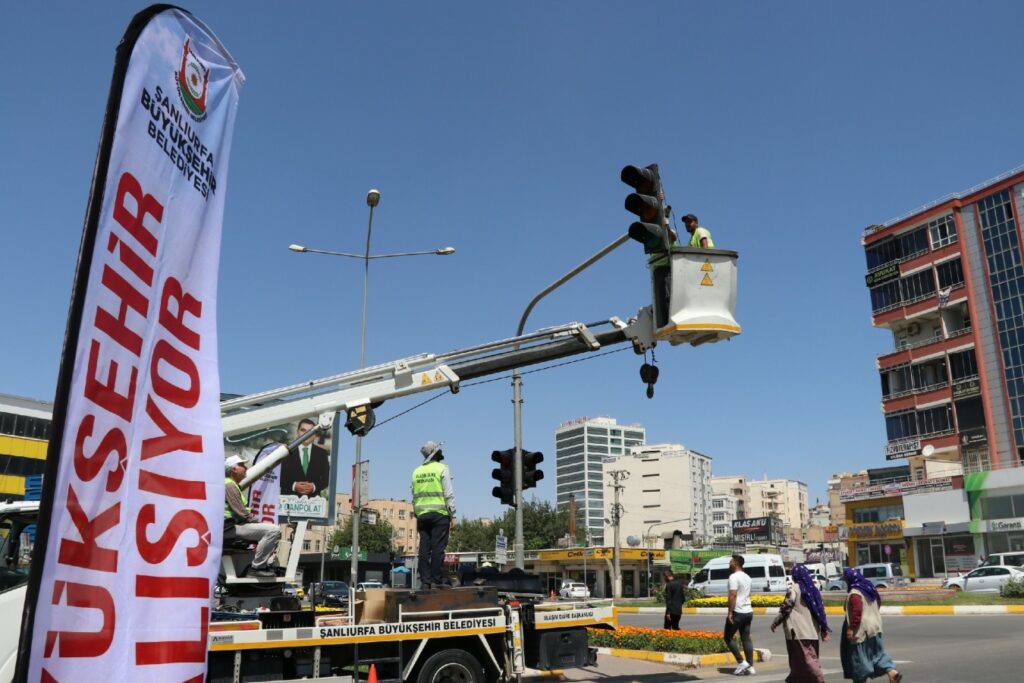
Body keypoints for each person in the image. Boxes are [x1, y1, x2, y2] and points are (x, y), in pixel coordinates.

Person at [840, 568, 902, 683]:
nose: (845, 582)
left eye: (846, 579)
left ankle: (860, 680)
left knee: (859, 657)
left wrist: (851, 628)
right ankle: (892, 672)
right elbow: (878, 603)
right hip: (875, 627)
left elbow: (857, 611)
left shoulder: (855, 593)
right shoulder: (869, 588)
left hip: (861, 630)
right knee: (877, 654)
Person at [771, 564, 831, 683]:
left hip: (798, 633)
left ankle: (819, 679)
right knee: (801, 662)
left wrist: (775, 622)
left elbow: (786, 608)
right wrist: (823, 629)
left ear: (795, 576)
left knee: (806, 662)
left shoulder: (794, 589)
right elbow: (821, 611)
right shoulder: (814, 590)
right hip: (813, 632)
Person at [224, 455, 282, 576]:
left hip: (231, 527)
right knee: (273, 530)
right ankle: (257, 568)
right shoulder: (229, 485)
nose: (246, 468)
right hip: (229, 528)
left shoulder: (230, 484)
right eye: (242, 465)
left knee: (272, 533)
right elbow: (241, 512)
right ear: (234, 469)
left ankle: (259, 564)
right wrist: (258, 522)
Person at [411, 440, 456, 589]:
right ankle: (437, 580)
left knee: (424, 548)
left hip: (422, 516)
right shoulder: (442, 468)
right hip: (439, 514)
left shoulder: (416, 471)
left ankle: (425, 582)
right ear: (436, 454)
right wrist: (453, 515)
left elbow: (414, 495)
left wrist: (417, 515)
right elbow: (448, 494)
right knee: (438, 548)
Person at [280, 418, 331, 498]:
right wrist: (294, 486)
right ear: (298, 432)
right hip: (287, 500)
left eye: (310, 431)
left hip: (312, 502)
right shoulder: (285, 451)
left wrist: (313, 487)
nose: (306, 434)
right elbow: (279, 476)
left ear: (315, 434)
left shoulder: (322, 454)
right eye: (303, 430)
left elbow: (325, 480)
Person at [725, 554, 756, 676]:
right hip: (748, 611)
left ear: (735, 563)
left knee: (728, 637)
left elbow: (733, 595)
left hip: (737, 612)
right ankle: (750, 666)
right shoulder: (748, 577)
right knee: (745, 638)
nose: (729, 564)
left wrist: (730, 612)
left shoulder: (733, 577)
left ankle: (741, 662)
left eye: (730, 561)